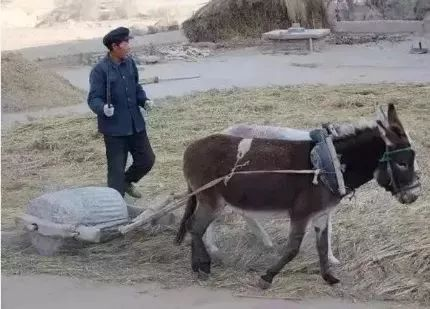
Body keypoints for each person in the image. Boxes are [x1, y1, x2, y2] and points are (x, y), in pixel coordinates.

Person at [87, 27, 155, 198]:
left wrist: (144, 100)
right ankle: (116, 208)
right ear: (115, 46)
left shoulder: (130, 63)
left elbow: (136, 87)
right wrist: (102, 108)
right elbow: (93, 98)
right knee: (116, 170)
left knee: (147, 160)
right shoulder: (100, 70)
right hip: (114, 129)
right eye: (126, 43)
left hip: (135, 124)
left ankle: (127, 181)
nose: (129, 46)